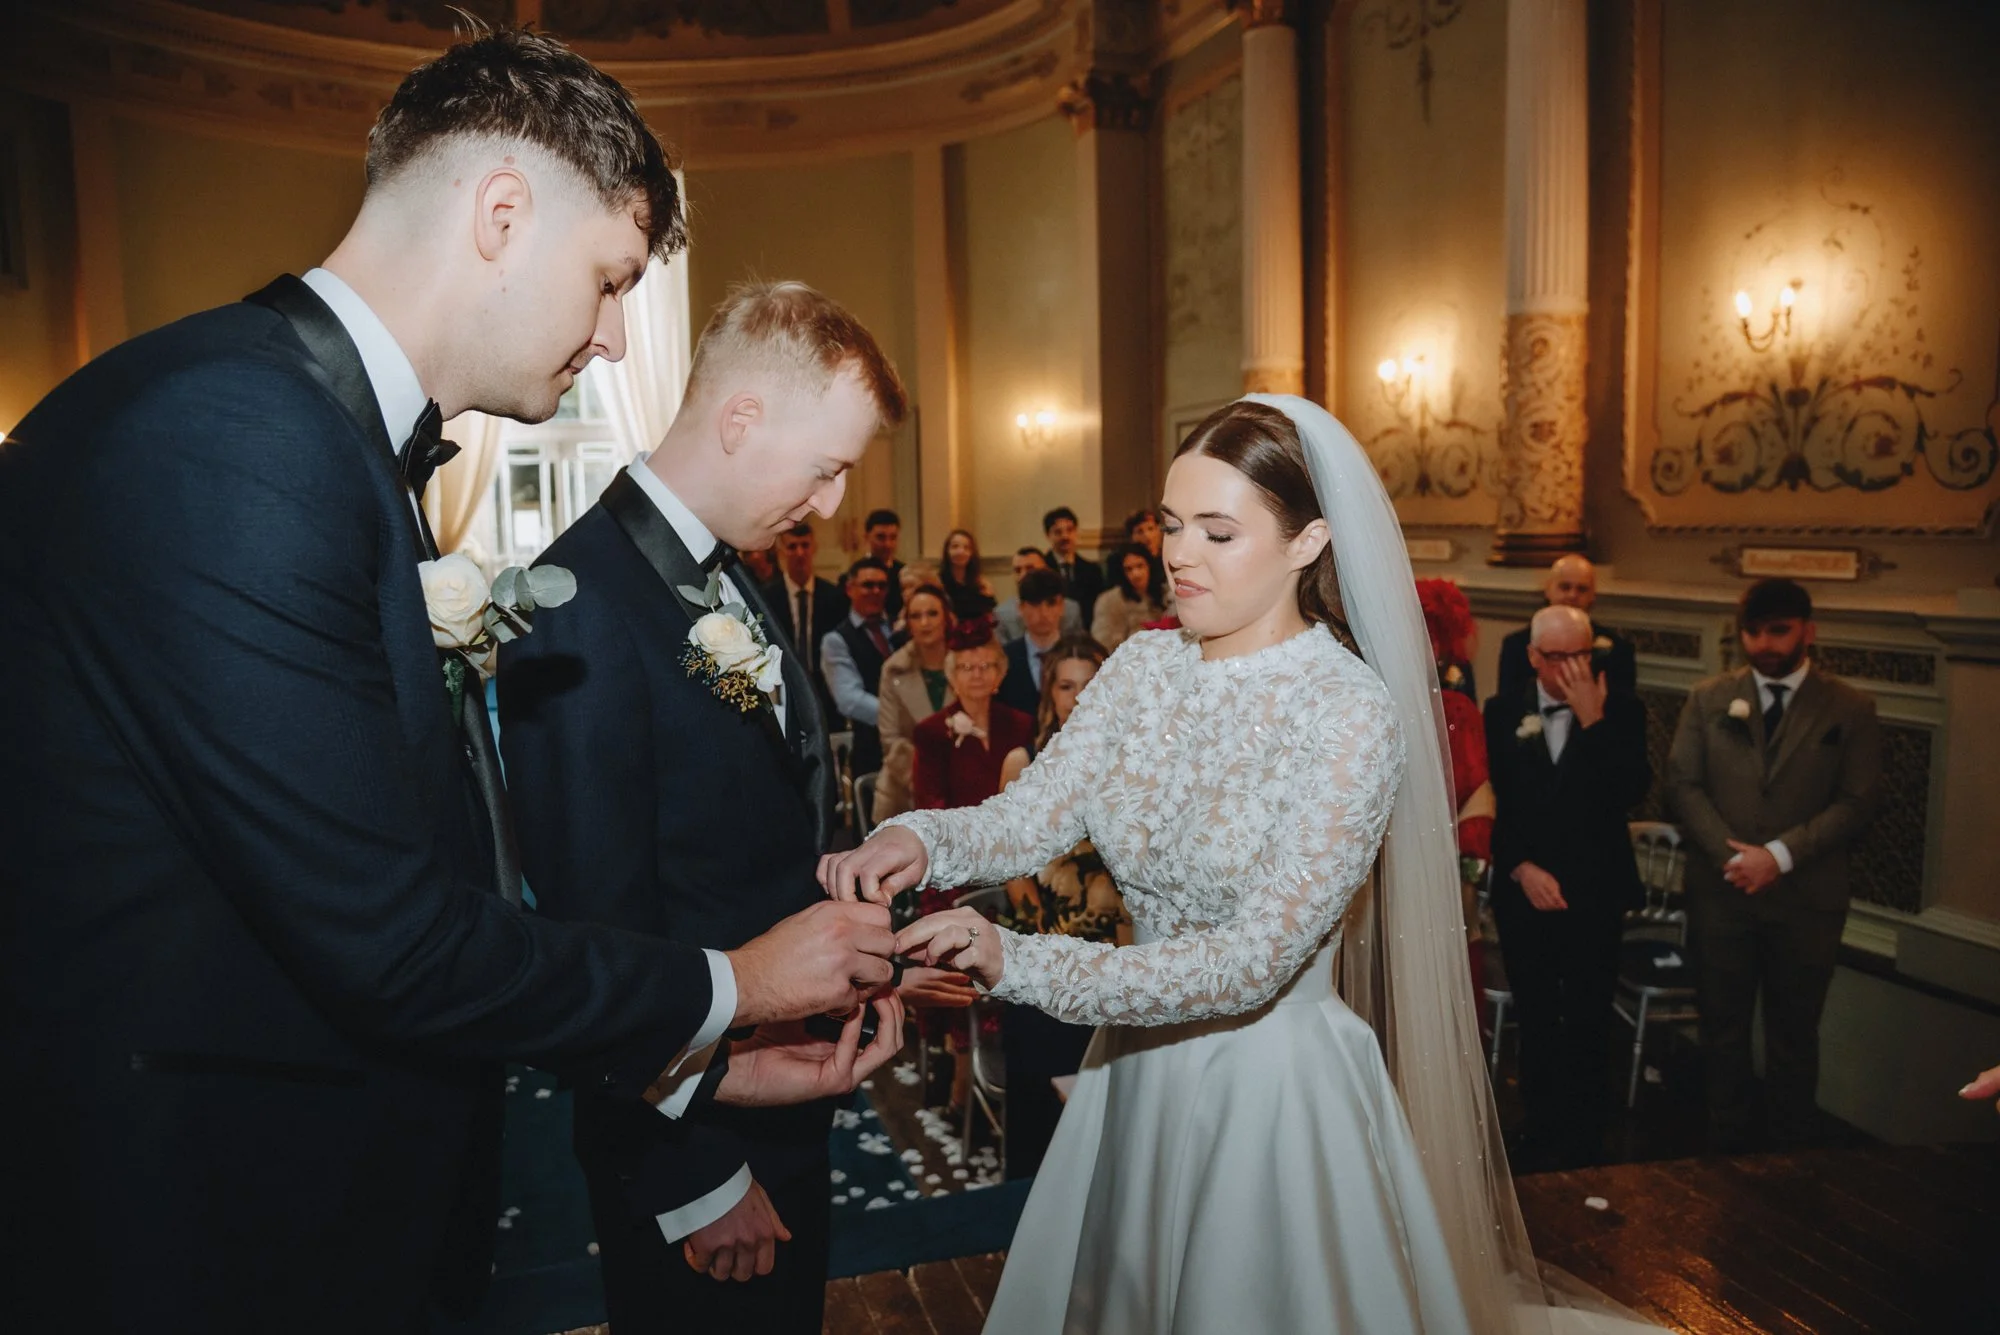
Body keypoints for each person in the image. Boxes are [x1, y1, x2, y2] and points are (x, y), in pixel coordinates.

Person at [0, 28, 898, 1333]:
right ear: (500, 212)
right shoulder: (237, 434)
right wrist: (738, 989)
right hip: (211, 1221)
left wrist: (685, 1073)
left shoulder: (308, 429)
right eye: (607, 280)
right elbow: (389, 934)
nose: (607, 341)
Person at [824, 396, 1656, 1334]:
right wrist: (921, 839)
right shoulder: (1142, 668)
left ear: (1308, 543)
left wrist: (1013, 958)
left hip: (1271, 1093)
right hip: (1134, 1070)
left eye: (1219, 532)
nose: (1182, 555)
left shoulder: (1349, 714)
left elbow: (1252, 961)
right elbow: (1033, 815)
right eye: (1173, 527)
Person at [499, 281, 910, 1329]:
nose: (829, 505)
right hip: (697, 1150)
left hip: (780, 1091)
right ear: (740, 421)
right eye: (825, 469)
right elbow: (594, 922)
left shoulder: (735, 574)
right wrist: (691, 1179)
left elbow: (765, 817)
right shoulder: (578, 602)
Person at [1667, 578, 1883, 1151]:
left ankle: (1790, 1161)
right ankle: (1724, 1150)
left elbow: (1859, 802)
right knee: (1722, 1028)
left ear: (1808, 632)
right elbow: (1683, 784)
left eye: (1778, 630)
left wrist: (1779, 858)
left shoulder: (1849, 708)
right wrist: (1736, 858)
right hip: (1723, 890)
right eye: (1753, 631)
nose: (1764, 643)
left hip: (1807, 901)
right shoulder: (1710, 698)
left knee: (1794, 1034)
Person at [1484, 605, 1651, 1170]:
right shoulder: (1501, 711)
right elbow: (1492, 808)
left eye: (1584, 654)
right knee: (1535, 1013)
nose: (1574, 667)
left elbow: (1629, 791)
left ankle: (1585, 1137)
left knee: (1586, 1014)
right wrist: (1520, 867)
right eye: (1560, 657)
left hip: (1593, 892)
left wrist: (1593, 719)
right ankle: (1536, 1129)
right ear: (1533, 658)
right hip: (1523, 889)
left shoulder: (1622, 710)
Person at [994, 635, 1128, 1178]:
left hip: (1119, 951)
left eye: (1090, 684)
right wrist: (1045, 944)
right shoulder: (1025, 760)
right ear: (1050, 693)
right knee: (1045, 1109)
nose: (1078, 697)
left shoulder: (1132, 762)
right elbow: (1010, 867)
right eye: (1067, 685)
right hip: (1046, 948)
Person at [1418, 578, 1493, 1003]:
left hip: (1439, 888)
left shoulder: (1458, 714)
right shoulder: (1358, 702)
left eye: (1431, 641)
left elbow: (1477, 802)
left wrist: (1462, 869)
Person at [1494, 554, 1637, 702]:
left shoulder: (1618, 650)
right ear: (1548, 590)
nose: (1572, 595)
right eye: (1565, 587)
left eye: (1582, 589)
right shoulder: (1517, 645)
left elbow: (1625, 716)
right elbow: (1506, 708)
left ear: (1593, 596)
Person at [873, 584, 956, 826]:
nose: (924, 623)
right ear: (907, 623)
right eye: (915, 616)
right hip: (902, 793)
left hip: (962, 789)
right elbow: (891, 740)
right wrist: (927, 782)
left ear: (947, 618)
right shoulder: (893, 669)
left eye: (932, 614)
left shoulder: (967, 666)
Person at [821, 556, 901, 780]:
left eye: (882, 585)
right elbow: (849, 699)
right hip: (872, 750)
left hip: (913, 747)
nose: (875, 591)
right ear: (850, 588)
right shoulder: (836, 640)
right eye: (867, 585)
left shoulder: (900, 628)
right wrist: (901, 718)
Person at [764, 521, 845, 723]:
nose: (800, 553)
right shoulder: (767, 597)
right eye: (792, 547)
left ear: (814, 548)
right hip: (784, 687)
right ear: (781, 551)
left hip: (826, 690)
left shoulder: (835, 596)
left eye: (805, 546)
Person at [998, 568, 1071, 716]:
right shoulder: (1004, 658)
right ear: (1021, 608)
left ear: (1062, 607)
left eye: (1051, 604)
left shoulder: (1079, 654)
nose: (1043, 613)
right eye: (1035, 604)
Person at [996, 547, 1083, 644]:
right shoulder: (1002, 614)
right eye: (1017, 570)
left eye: (1030, 568)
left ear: (1045, 569)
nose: (1023, 575)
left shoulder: (1071, 609)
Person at [1090, 541, 1168, 651]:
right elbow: (1102, 643)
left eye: (1140, 566)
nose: (1136, 574)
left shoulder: (1166, 594)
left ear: (1149, 566)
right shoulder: (1109, 601)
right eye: (1129, 569)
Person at [1043, 505, 1106, 611]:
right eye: (1058, 532)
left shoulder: (1092, 571)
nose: (1065, 536)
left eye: (1070, 530)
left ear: (1076, 532)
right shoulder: (1041, 569)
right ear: (1048, 535)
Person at [938, 526, 996, 620]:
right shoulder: (938, 584)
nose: (961, 551)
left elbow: (991, 616)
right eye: (955, 546)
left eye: (966, 548)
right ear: (947, 551)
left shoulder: (981, 584)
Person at [863, 508, 906, 619]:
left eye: (893, 537)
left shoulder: (905, 575)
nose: (887, 544)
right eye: (881, 537)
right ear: (867, 537)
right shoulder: (852, 576)